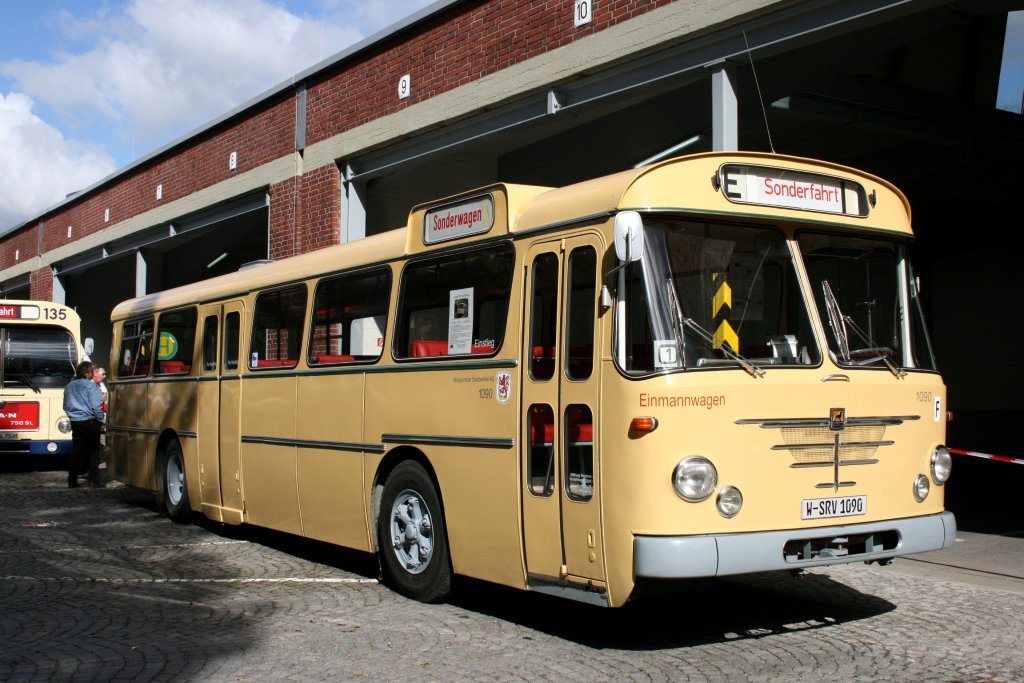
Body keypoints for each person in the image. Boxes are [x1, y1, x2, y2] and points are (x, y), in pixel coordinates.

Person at [63, 361, 106, 488]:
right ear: (87, 373)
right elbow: (96, 407)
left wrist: (73, 416)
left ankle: (72, 481)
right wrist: (100, 419)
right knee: (93, 452)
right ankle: (94, 481)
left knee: (76, 451)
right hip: (90, 421)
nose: (93, 373)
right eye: (92, 371)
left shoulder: (70, 386)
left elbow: (66, 405)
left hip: (76, 421)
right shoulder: (91, 386)